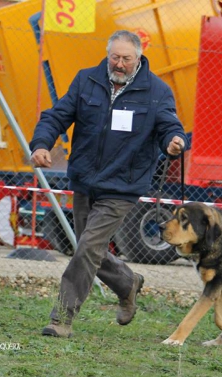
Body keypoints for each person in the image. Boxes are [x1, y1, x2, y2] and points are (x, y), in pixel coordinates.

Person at [30, 30, 188, 338]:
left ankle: (61, 318)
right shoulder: (87, 80)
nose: (119, 64)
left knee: (88, 247)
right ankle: (128, 283)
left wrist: (174, 141)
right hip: (85, 180)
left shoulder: (157, 91)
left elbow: (169, 125)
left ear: (139, 57)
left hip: (122, 185)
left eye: (126, 58)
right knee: (88, 248)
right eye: (114, 57)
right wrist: (41, 144)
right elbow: (56, 116)